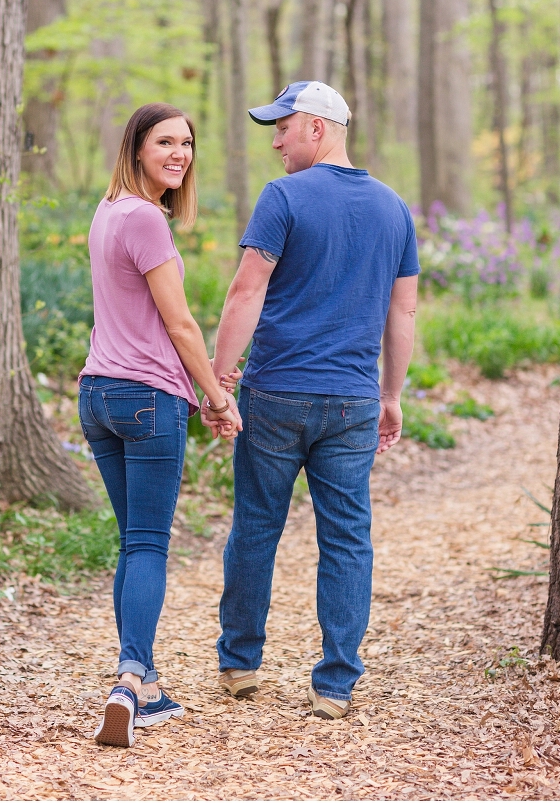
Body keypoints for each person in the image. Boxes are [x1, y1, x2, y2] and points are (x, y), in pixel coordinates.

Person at [203, 80, 419, 718]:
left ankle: (240, 664)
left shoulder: (284, 197)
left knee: (257, 526)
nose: (276, 142)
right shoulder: (394, 209)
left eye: (283, 128)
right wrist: (391, 395)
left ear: (317, 129)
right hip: (352, 402)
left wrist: (218, 379)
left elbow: (246, 292)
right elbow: (403, 311)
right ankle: (336, 683)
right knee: (348, 538)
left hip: (275, 393)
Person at [78, 102, 241, 748]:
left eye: (187, 143)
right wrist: (217, 397)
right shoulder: (146, 218)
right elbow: (180, 324)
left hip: (97, 394)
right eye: (165, 142)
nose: (180, 154)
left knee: (132, 542)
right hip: (146, 399)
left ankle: (143, 683)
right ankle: (127, 681)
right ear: (137, 148)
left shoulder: (109, 210)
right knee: (147, 544)